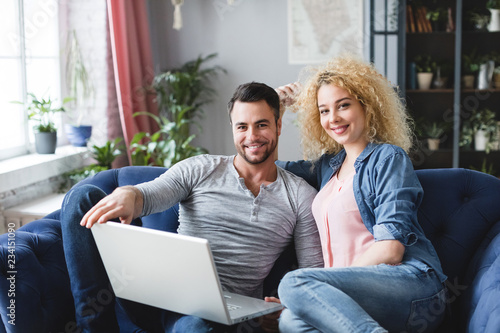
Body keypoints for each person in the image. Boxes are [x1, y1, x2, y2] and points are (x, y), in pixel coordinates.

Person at [60, 81, 323, 333]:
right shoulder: (201, 168)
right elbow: (149, 194)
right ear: (232, 128)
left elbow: (312, 273)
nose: (251, 136)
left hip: (221, 313)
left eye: (261, 125)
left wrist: (287, 308)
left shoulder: (300, 196)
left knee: (196, 327)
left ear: (278, 125)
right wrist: (129, 194)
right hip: (158, 293)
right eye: (242, 126)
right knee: (81, 197)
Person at [274, 55, 447, 332]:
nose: (334, 118)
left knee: (294, 283)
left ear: (366, 106)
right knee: (290, 320)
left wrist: (324, 283)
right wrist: (277, 114)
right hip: (352, 294)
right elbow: (268, 170)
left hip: (409, 286)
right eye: (324, 110)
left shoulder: (388, 158)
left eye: (343, 105)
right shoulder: (326, 167)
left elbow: (391, 249)